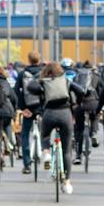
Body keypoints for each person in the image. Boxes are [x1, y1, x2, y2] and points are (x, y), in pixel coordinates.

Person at [29, 62, 77, 193]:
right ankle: (67, 182)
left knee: (44, 134)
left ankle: (46, 152)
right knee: (67, 151)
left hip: (49, 114)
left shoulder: (44, 82)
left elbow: (30, 87)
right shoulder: (66, 81)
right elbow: (81, 91)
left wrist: (41, 79)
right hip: (65, 114)